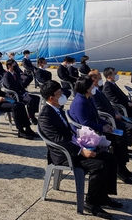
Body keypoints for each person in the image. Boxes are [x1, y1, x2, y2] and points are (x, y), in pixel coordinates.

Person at [38, 80, 122, 219]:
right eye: (59, 94)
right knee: (99, 166)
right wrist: (81, 151)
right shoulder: (46, 116)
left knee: (110, 158)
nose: (63, 96)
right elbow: (58, 140)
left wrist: (86, 141)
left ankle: (103, 196)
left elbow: (68, 133)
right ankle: (91, 203)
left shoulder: (57, 108)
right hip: (64, 155)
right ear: (51, 98)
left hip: (75, 147)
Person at [69, 76, 132, 184]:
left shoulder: (88, 98)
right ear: (86, 88)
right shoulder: (80, 102)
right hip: (85, 134)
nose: (94, 86)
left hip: (94, 128)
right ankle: (119, 169)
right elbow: (85, 123)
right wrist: (102, 128)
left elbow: (96, 117)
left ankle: (122, 166)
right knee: (118, 140)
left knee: (121, 135)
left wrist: (106, 124)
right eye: (92, 85)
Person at [0, 60, 37, 139]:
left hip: (2, 99)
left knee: (20, 104)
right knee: (15, 107)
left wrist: (6, 95)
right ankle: (21, 130)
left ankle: (28, 128)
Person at [89, 70, 132, 147]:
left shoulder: (98, 89)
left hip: (112, 114)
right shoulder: (93, 92)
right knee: (130, 127)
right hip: (107, 118)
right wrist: (113, 115)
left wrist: (115, 112)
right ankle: (124, 147)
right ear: (93, 79)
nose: (101, 80)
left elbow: (108, 104)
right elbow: (100, 108)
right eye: (99, 78)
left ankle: (125, 147)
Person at [2, 59, 41, 126]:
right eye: (14, 65)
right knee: (30, 100)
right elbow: (10, 88)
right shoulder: (6, 76)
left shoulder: (15, 74)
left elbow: (20, 86)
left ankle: (32, 115)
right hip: (13, 95)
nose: (15, 66)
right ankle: (31, 117)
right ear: (9, 66)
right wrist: (22, 94)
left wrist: (25, 93)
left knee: (37, 98)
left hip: (20, 93)